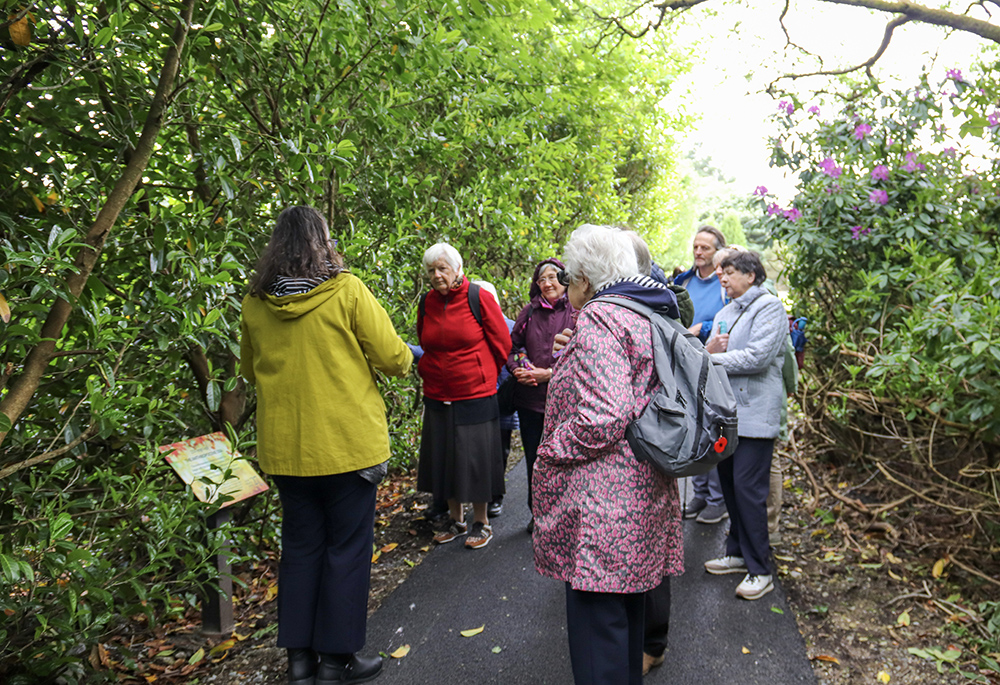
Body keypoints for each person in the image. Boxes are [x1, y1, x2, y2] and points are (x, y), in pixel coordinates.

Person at [240, 206, 413, 685]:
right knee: (347, 550)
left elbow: (248, 370)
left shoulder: (255, 302)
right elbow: (393, 358)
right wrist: (405, 355)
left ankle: (299, 661)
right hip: (347, 446)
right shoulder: (347, 290)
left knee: (299, 550)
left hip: (287, 451)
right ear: (323, 241)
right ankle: (337, 662)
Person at [533, 224, 684, 685]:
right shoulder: (642, 313)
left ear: (584, 279)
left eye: (570, 276)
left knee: (599, 641)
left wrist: (550, 451)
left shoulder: (600, 318)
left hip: (604, 510)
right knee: (624, 633)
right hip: (640, 497)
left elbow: (602, 416)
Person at [703, 250, 789, 600]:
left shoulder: (769, 307)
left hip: (754, 417)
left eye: (730, 272)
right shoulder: (726, 311)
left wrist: (711, 358)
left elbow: (758, 357)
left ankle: (760, 568)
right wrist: (709, 352)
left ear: (751, 275)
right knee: (728, 484)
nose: (722, 277)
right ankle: (737, 552)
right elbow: (711, 348)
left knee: (749, 490)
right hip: (726, 417)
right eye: (721, 272)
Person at [416, 244, 511, 550]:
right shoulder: (426, 302)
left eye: (442, 268)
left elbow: (502, 343)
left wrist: (481, 372)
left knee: (476, 459)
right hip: (437, 394)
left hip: (475, 394)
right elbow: (425, 342)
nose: (437, 275)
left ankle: (481, 522)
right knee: (443, 456)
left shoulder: (478, 297)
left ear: (457, 269)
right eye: (431, 270)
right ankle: (456, 520)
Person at [506, 258, 576, 533]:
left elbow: (583, 354)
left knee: (565, 459)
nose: (547, 283)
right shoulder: (530, 312)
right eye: (541, 279)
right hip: (531, 402)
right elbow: (514, 348)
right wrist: (520, 368)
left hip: (565, 403)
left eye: (553, 277)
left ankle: (566, 514)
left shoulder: (577, 311)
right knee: (535, 459)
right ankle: (539, 515)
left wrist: (550, 374)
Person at [672, 225, 729, 525]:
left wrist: (702, 329)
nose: (698, 252)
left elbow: (729, 321)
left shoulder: (724, 283)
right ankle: (701, 494)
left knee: (717, 430)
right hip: (687, 364)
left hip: (716, 366)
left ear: (717, 250)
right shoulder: (684, 280)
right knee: (696, 430)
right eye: (695, 246)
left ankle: (718, 501)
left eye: (705, 247)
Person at [472, 280, 518, 519]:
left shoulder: (510, 326)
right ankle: (483, 495)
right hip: (478, 400)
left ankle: (495, 497)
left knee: (499, 451)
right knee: (479, 450)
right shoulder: (470, 326)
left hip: (503, 401)